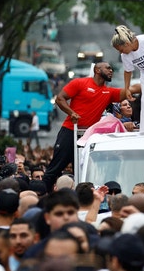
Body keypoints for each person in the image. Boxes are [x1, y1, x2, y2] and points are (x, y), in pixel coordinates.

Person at [43, 62, 130, 191]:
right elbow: (60, 98)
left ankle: (82, 200)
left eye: (111, 68)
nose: (111, 70)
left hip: (88, 136)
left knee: (83, 171)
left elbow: (131, 91)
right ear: (97, 70)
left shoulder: (109, 92)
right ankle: (41, 196)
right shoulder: (79, 83)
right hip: (70, 131)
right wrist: (71, 113)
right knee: (55, 168)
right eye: (107, 68)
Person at [112, 25, 144, 133]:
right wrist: (126, 89)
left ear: (126, 44)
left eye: (121, 50)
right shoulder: (125, 56)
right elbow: (128, 71)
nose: (121, 53)